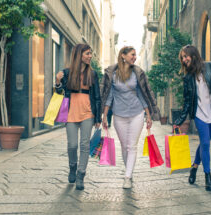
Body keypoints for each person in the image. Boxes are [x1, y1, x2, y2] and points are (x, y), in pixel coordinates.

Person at [101, 46, 160, 189]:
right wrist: (104, 115)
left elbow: (142, 94)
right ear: (123, 56)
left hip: (137, 113)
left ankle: (127, 176)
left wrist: (148, 114)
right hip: (119, 115)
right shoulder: (112, 73)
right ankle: (129, 171)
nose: (135, 57)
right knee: (124, 145)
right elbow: (109, 96)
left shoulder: (137, 72)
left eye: (135, 55)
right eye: (132, 55)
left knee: (132, 146)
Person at [174, 45, 211, 191]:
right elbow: (187, 101)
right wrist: (179, 121)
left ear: (193, 55)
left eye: (186, 56)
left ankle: (194, 168)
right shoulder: (187, 77)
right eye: (182, 58)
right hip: (199, 114)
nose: (184, 60)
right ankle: (208, 177)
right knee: (205, 144)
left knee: (204, 144)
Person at [55, 44, 101, 190]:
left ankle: (81, 175)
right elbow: (58, 94)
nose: (90, 56)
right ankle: (72, 167)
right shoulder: (67, 73)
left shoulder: (92, 74)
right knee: (72, 145)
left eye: (90, 54)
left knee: (85, 145)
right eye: (87, 53)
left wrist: (98, 118)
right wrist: (57, 82)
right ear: (79, 54)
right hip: (70, 113)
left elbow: (97, 96)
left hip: (88, 113)